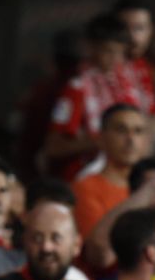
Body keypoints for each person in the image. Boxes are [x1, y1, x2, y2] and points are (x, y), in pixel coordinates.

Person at [44, 14, 142, 177]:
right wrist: (101, 140)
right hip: (82, 177)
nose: (115, 59)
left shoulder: (126, 88)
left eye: (120, 53)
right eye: (108, 51)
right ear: (90, 48)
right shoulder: (77, 88)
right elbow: (53, 146)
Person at [71, 104, 148, 239]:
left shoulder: (151, 185)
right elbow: (98, 252)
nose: (131, 139)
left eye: (138, 131)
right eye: (121, 130)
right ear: (101, 139)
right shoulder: (85, 188)